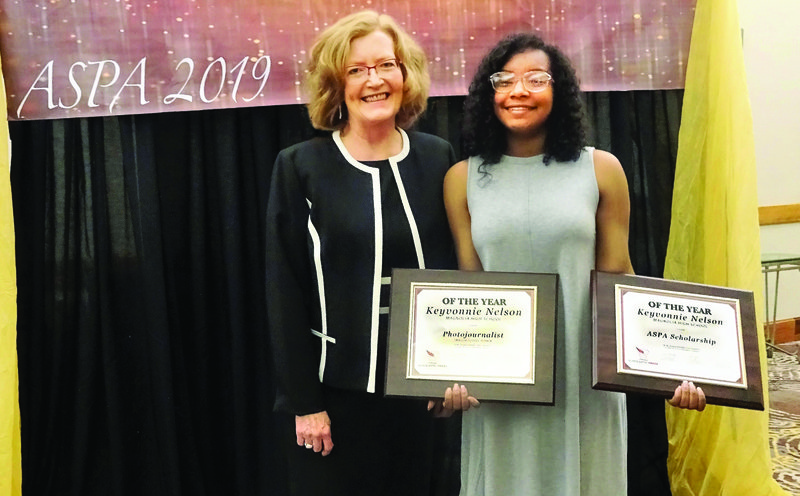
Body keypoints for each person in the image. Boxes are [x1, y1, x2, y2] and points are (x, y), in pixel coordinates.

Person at [439, 33, 705, 495]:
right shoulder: (461, 179)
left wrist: (673, 365)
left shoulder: (601, 169)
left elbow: (618, 275)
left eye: (536, 79)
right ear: (489, 94)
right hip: (505, 378)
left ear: (559, 93)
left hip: (587, 376)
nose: (518, 90)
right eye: (504, 80)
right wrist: (453, 372)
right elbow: (469, 287)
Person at [265, 10, 457, 496]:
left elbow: (455, 273)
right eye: (357, 70)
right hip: (333, 400)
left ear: (404, 74)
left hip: (421, 397)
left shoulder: (438, 157)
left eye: (386, 65)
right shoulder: (301, 166)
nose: (374, 81)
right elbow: (283, 288)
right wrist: (304, 402)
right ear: (337, 84)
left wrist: (456, 375)